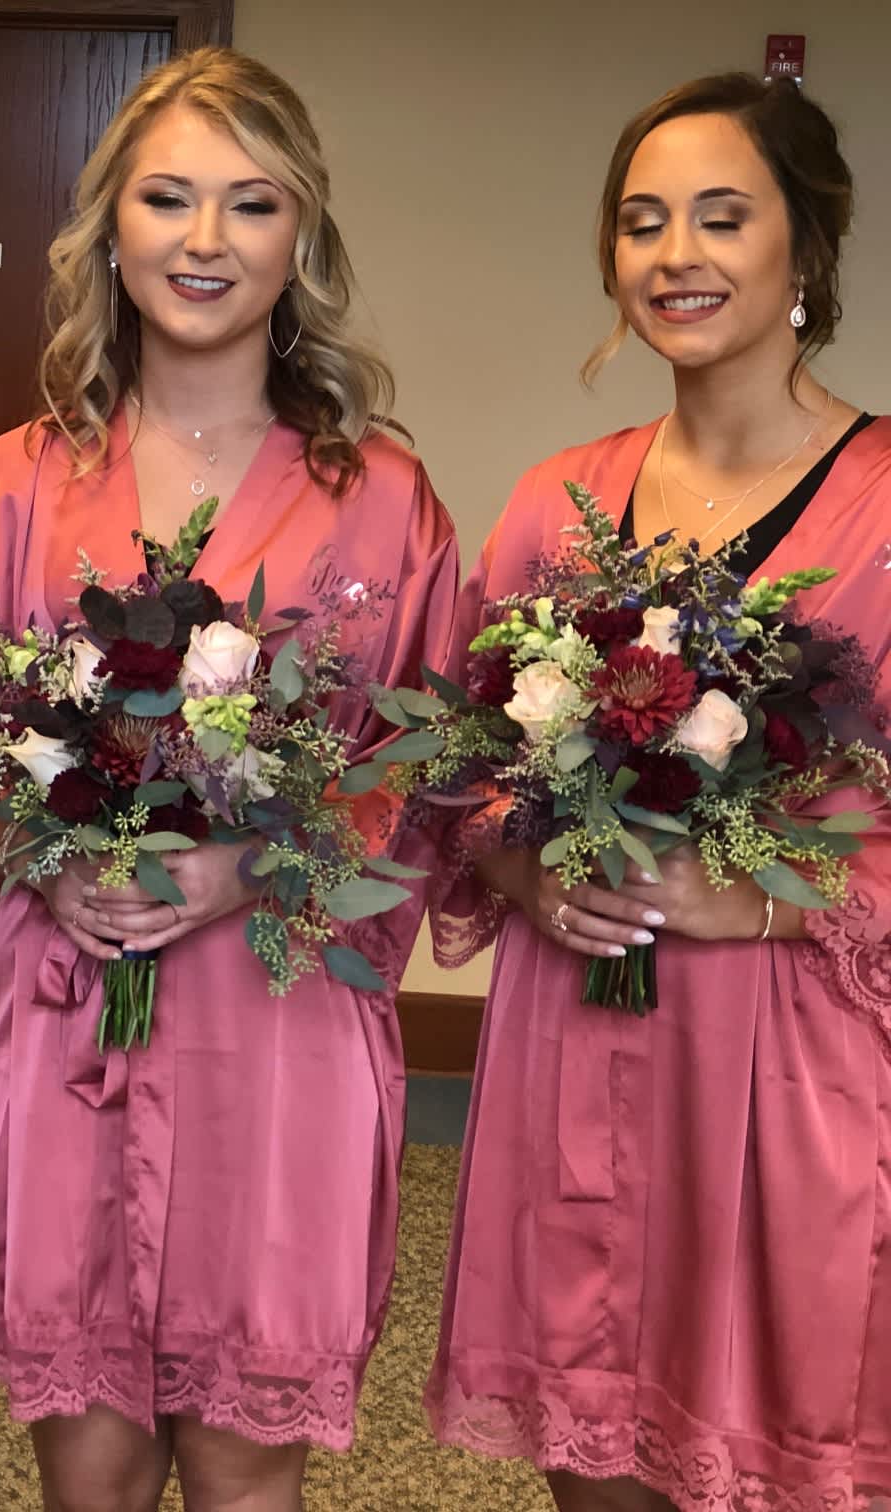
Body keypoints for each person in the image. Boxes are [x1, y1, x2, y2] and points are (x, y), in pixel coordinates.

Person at [0, 46, 460, 1512]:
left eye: (251, 203)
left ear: (300, 237)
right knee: (87, 1466)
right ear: (112, 228)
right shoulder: (15, 484)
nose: (205, 239)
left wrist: (252, 861)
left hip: (280, 1021)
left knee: (243, 1464)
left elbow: (424, 769)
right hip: (71, 1005)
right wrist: (39, 852)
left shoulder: (381, 499)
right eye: (168, 198)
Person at [426, 73, 890, 1512]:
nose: (676, 255)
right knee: (596, 1457)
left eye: (721, 217)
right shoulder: (555, 501)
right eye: (642, 224)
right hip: (578, 1056)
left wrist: (759, 901)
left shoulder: (886, 504)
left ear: (807, 247)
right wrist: (524, 870)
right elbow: (461, 768)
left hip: (800, 1076)